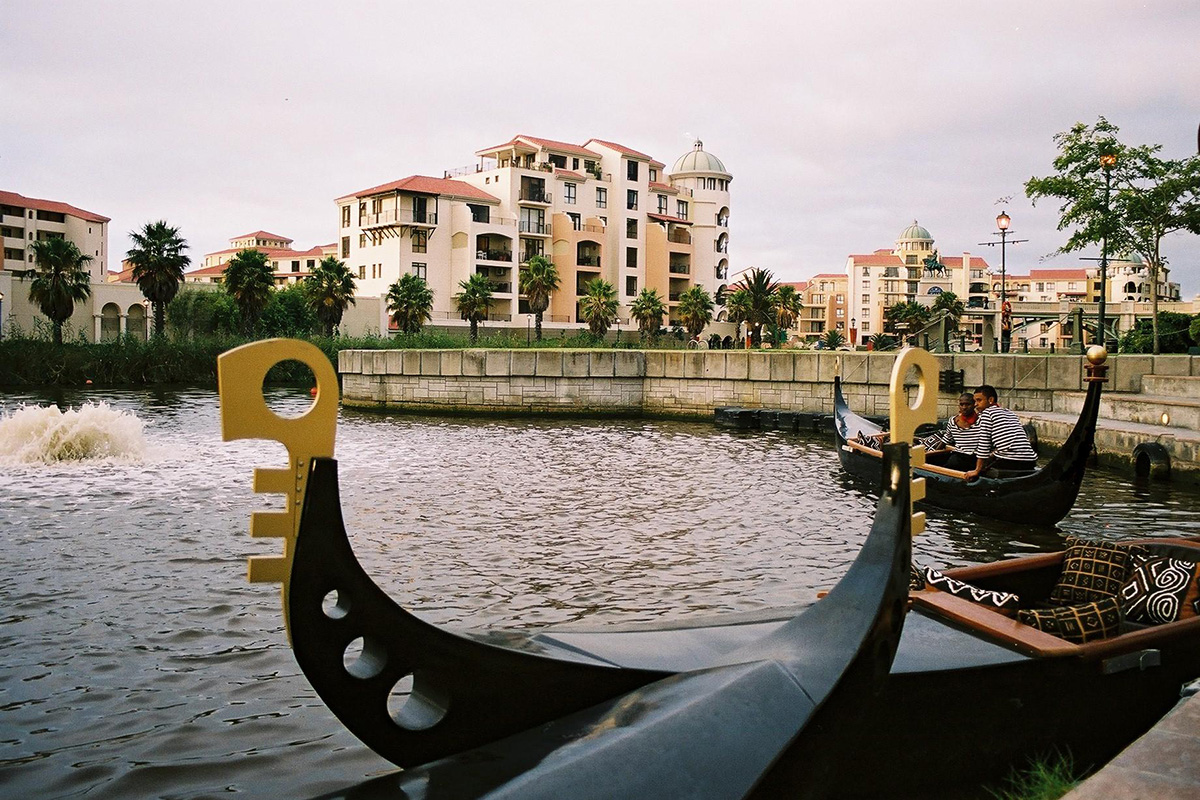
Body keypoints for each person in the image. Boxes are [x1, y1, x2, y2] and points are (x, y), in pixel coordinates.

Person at [963, 384, 1038, 480]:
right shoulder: (1009, 413)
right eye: (975, 401)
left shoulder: (986, 414)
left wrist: (976, 471)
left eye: (979, 400)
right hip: (1030, 460)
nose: (975, 404)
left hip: (1010, 461)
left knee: (970, 462)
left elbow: (983, 445)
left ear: (990, 400)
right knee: (989, 457)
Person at [932, 393, 980, 471]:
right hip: (958, 456)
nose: (964, 407)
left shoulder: (982, 420)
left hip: (975, 458)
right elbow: (946, 439)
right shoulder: (952, 420)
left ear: (974, 405)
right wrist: (932, 453)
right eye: (961, 404)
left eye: (968, 404)